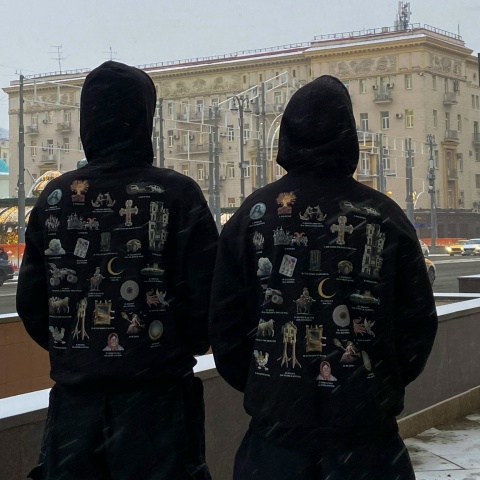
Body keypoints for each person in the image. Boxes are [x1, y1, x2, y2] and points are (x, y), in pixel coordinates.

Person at [209, 75, 438, 480]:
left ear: (287, 135)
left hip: (274, 441)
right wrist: (374, 387)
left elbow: (226, 327)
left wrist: (272, 387)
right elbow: (416, 325)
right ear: (348, 135)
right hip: (366, 441)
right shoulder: (385, 217)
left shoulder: (252, 216)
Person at [17, 61, 218, 480]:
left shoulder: (56, 198)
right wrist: (166, 349)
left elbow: (33, 305)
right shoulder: (177, 194)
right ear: (145, 117)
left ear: (87, 119)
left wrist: (79, 354)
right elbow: (207, 303)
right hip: (159, 409)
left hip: (75, 412)